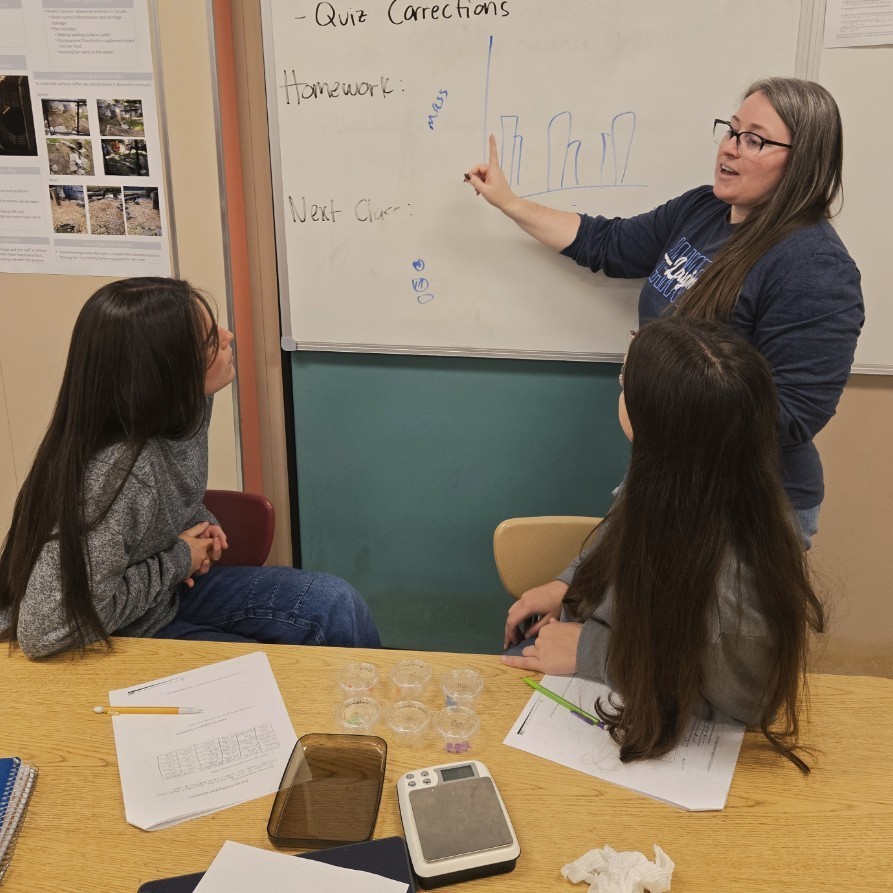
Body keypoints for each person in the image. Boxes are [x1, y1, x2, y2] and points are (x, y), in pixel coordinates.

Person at [466, 77, 864, 546]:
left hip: (749, 504)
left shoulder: (815, 267)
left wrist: (659, 392)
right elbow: (609, 244)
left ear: (804, 161)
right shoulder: (702, 209)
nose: (730, 149)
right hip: (668, 474)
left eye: (754, 139)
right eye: (731, 130)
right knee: (610, 610)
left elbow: (791, 416)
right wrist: (509, 203)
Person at [502, 316, 824, 771]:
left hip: (643, 711)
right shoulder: (666, 474)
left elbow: (746, 709)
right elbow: (618, 537)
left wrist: (595, 654)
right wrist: (568, 585)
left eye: (623, 382)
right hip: (596, 658)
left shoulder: (738, 589)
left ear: (651, 420)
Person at [0, 277, 380, 657]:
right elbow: (44, 630)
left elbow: (167, 498)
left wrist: (196, 522)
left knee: (335, 604)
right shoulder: (115, 475)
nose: (229, 337)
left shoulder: (191, 406)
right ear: (168, 373)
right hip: (110, 634)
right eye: (211, 341)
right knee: (269, 681)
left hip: (165, 597)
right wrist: (180, 559)